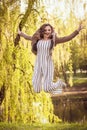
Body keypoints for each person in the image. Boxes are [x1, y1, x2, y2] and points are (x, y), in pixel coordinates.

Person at [18, 23, 83, 93]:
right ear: (42, 31)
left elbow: (67, 38)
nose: (47, 31)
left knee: (47, 89)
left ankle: (59, 83)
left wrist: (77, 30)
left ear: (51, 31)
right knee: (36, 89)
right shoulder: (38, 39)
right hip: (38, 64)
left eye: (49, 30)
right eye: (45, 30)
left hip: (48, 64)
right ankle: (49, 86)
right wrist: (20, 33)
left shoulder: (54, 40)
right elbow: (28, 37)